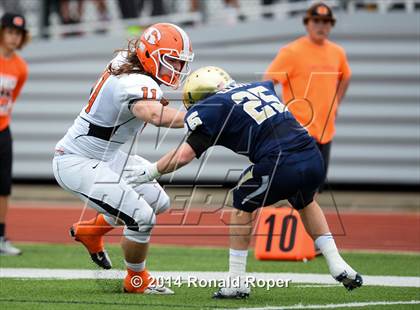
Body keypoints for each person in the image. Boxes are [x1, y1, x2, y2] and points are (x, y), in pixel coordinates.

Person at [125, 66, 363, 298]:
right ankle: (337, 263)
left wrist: (149, 172)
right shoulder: (256, 87)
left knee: (241, 202)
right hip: (312, 156)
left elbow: (183, 155)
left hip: (279, 161)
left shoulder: (213, 107)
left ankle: (236, 281)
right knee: (305, 202)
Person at [52, 23, 194, 294]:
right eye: (171, 61)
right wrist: (196, 118)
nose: (176, 70)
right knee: (142, 218)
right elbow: (153, 114)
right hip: (77, 160)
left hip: (108, 155)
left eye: (179, 63)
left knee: (158, 202)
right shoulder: (132, 82)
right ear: (150, 55)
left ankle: (91, 231)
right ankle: (136, 279)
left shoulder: (128, 63)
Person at [264, 2, 351, 191]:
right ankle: (289, 219)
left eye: (326, 22)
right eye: (317, 21)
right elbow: (267, 82)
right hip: (299, 131)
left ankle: (303, 221)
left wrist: (336, 103)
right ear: (307, 23)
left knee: (314, 187)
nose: (321, 26)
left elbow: (346, 77)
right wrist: (281, 114)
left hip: (325, 131)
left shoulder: (337, 53)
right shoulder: (292, 52)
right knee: (293, 184)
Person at [0, 12, 29, 255]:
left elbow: (11, 98)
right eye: (9, 31)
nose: (13, 37)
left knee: (4, 186)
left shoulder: (20, 67)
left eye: (17, 33)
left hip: (2, 129)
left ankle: (0, 236)